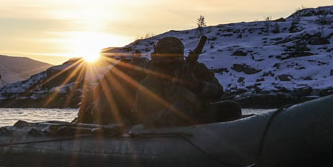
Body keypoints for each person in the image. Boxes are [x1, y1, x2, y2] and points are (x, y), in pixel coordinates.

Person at [78, 37, 239, 128]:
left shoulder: (195, 70)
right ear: (157, 57)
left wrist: (198, 85)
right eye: (167, 56)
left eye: (176, 56)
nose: (172, 61)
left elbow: (218, 92)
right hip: (162, 120)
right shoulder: (148, 78)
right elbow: (145, 115)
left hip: (197, 117)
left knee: (231, 108)